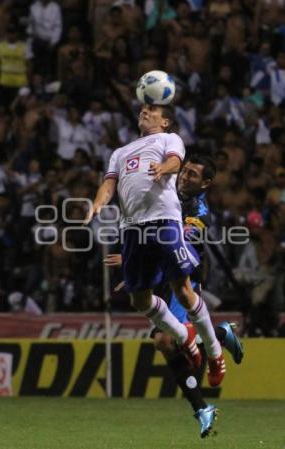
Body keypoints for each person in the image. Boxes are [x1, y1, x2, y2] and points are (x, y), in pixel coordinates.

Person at [85, 103, 225, 387]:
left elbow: (175, 160)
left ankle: (214, 352)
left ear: (166, 122)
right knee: (139, 300)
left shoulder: (169, 139)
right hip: (133, 229)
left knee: (184, 293)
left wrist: (164, 168)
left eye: (153, 110)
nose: (145, 112)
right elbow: (109, 184)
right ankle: (186, 336)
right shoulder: (120, 153)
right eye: (143, 109)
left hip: (164, 223)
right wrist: (99, 202)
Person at [104, 154, 244, 438]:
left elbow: (177, 241)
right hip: (156, 272)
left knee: (165, 341)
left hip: (181, 277)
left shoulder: (199, 211)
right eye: (186, 170)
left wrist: (138, 259)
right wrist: (134, 261)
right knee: (165, 344)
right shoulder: (166, 187)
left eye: (193, 174)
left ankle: (202, 400)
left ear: (206, 183)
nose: (184, 175)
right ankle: (216, 338)